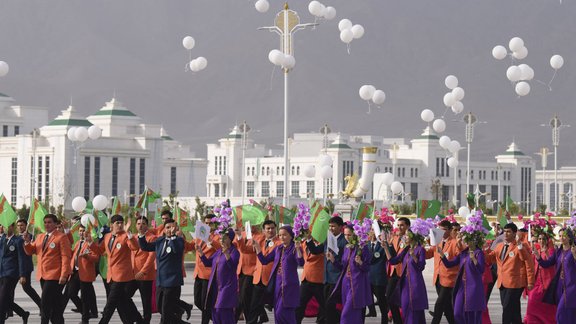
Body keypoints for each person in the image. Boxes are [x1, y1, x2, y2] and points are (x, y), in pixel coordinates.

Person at [23, 214, 72, 324]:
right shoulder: (40, 237)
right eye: (45, 222)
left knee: (44, 303)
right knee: (56, 305)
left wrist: (64, 275)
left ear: (55, 224)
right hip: (42, 275)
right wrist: (26, 242)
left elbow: (66, 257)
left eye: (49, 222)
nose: (47, 224)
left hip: (55, 275)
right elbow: (31, 251)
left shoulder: (61, 237)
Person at [138, 219, 188, 324]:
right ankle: (182, 317)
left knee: (165, 311)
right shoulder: (160, 240)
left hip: (172, 280)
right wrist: (141, 235)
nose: (170, 229)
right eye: (168, 227)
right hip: (160, 279)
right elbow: (145, 247)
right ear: (164, 230)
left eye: (172, 227)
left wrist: (173, 236)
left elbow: (176, 250)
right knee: (160, 308)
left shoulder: (179, 241)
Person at [98, 215, 145, 324]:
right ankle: (138, 321)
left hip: (122, 276)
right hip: (111, 276)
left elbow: (135, 247)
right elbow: (99, 250)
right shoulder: (107, 236)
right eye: (117, 223)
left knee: (110, 304)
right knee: (124, 301)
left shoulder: (125, 236)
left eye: (121, 223)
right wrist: (90, 243)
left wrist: (129, 234)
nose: (120, 225)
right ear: (111, 225)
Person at [484, 222, 534, 324]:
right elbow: (490, 258)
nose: (506, 234)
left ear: (515, 233)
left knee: (507, 308)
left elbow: (526, 259)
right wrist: (485, 249)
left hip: (515, 283)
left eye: (509, 232)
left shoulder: (521, 246)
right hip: (502, 282)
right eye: (505, 232)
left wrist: (530, 282)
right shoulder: (499, 246)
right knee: (514, 309)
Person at [255, 225, 304, 324]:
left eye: (284, 235)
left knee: (285, 313)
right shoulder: (278, 248)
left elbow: (301, 262)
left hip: (289, 285)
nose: (282, 237)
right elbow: (265, 260)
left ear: (291, 236)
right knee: (277, 314)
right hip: (277, 284)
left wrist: (298, 249)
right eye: (280, 235)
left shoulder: (295, 248)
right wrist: (257, 248)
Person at [383, 228, 428, 324]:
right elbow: (393, 261)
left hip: (415, 284)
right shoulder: (406, 249)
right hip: (404, 284)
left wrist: (414, 256)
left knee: (413, 310)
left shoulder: (421, 249)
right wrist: (386, 248)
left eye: (407, 235)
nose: (405, 237)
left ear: (413, 236)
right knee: (404, 308)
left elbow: (420, 267)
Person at [329, 224, 372, 324]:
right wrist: (333, 260)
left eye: (349, 235)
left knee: (347, 313)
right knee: (351, 313)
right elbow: (343, 267)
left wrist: (361, 262)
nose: (347, 237)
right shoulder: (347, 247)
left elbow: (367, 268)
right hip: (345, 284)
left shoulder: (362, 247)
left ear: (355, 234)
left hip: (357, 284)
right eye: (345, 235)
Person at [439, 233, 486, 323]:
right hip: (461, 286)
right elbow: (449, 264)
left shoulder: (478, 253)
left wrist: (474, 259)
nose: (466, 241)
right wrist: (442, 255)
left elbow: (481, 270)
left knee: (471, 314)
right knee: (457, 313)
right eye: (466, 239)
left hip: (473, 287)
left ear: (475, 241)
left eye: (469, 239)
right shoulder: (464, 253)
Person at [198, 227, 240, 324]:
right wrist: (201, 253)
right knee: (215, 312)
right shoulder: (218, 252)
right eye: (221, 238)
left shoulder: (234, 252)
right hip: (215, 287)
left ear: (230, 239)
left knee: (223, 311)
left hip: (227, 286)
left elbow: (232, 266)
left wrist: (226, 254)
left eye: (224, 238)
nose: (222, 240)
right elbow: (208, 263)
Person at [537, 227, 576, 323]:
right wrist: (538, 258)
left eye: (564, 236)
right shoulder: (558, 252)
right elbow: (547, 264)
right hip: (559, 286)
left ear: (570, 238)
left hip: (571, 287)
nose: (562, 238)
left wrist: (575, 256)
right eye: (560, 236)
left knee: (561, 312)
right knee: (567, 313)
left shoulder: (573, 250)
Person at [65, 224, 101, 324]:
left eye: (83, 231)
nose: (81, 233)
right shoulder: (78, 243)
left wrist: (87, 257)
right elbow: (73, 253)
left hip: (86, 273)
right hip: (75, 272)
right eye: (80, 231)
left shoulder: (90, 244)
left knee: (85, 298)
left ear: (88, 233)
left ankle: (85, 320)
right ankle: (86, 313)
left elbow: (96, 258)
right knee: (71, 293)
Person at [425, 220, 459, 324]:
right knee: (447, 307)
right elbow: (429, 254)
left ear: (449, 230)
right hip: (438, 277)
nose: (441, 232)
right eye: (439, 229)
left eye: (443, 230)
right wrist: (418, 248)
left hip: (449, 279)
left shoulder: (454, 243)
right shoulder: (437, 242)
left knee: (439, 304)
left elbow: (458, 258)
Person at [247, 220, 279, 324]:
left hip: (271, 279)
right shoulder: (260, 240)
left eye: (272, 228)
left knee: (276, 305)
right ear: (263, 231)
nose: (270, 230)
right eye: (268, 228)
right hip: (258, 278)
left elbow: (266, 259)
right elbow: (245, 247)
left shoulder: (279, 242)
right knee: (254, 306)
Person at [192, 214, 222, 324]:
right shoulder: (199, 235)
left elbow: (220, 247)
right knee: (197, 301)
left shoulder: (217, 236)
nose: (208, 225)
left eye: (211, 223)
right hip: (198, 273)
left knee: (205, 303)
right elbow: (191, 246)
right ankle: (216, 319)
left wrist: (210, 240)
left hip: (208, 274)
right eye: (207, 223)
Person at [524, 232, 557, 324]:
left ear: (547, 241)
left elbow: (548, 263)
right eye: (539, 239)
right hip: (536, 283)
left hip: (547, 282)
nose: (541, 241)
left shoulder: (551, 251)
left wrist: (545, 253)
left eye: (543, 239)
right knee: (531, 304)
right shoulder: (536, 251)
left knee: (547, 307)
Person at [130, 216, 156, 324]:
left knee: (146, 302)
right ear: (136, 225)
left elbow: (151, 257)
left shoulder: (152, 238)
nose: (141, 226)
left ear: (147, 225)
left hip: (145, 275)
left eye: (143, 224)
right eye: (139, 223)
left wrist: (143, 271)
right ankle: (138, 319)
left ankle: (146, 321)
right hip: (132, 274)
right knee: (124, 296)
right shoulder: (133, 237)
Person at [0, 223, 28, 324]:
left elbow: (21, 258)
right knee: (5, 299)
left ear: (12, 227)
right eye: (3, 226)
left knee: (2, 300)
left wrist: (22, 275)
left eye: (7, 226)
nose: (4, 228)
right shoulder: (2, 239)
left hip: (11, 273)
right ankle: (23, 314)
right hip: (1, 273)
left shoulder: (18, 240)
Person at [295, 230, 325, 324]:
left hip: (318, 280)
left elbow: (314, 251)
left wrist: (309, 239)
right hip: (306, 279)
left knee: (324, 305)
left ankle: (321, 321)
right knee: (299, 305)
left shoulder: (323, 243)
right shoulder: (304, 243)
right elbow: (301, 262)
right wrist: (297, 249)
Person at [322, 216, 347, 324]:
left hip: (337, 279)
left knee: (332, 306)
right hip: (327, 278)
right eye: (330, 226)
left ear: (340, 227)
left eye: (333, 226)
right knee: (327, 307)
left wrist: (333, 260)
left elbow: (344, 264)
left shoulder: (344, 242)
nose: (331, 228)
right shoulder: (328, 239)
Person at [385, 217, 410, 324]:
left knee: (400, 301)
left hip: (403, 273)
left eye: (402, 225)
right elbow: (393, 254)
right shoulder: (394, 237)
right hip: (393, 272)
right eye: (398, 225)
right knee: (389, 298)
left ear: (407, 226)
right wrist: (388, 244)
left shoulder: (409, 239)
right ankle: (398, 320)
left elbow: (399, 256)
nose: (399, 227)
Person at [234, 224, 260, 321]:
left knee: (244, 298)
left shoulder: (260, 236)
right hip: (240, 270)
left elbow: (245, 250)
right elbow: (233, 245)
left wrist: (239, 237)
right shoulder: (242, 233)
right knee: (242, 298)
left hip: (251, 271)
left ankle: (250, 319)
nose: (250, 225)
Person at [15, 219, 41, 310]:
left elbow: (25, 255)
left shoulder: (29, 237)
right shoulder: (17, 237)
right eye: (18, 225)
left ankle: (42, 306)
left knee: (27, 288)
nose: (19, 227)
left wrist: (22, 274)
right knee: (8, 289)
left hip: (25, 266)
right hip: (16, 267)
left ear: (26, 226)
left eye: (22, 225)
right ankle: (8, 310)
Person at [366, 227, 388, 323]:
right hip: (367, 277)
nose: (373, 233)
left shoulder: (382, 245)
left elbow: (373, 258)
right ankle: (371, 312)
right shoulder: (366, 244)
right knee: (366, 299)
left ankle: (385, 320)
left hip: (378, 278)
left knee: (381, 301)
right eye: (371, 230)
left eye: (375, 231)